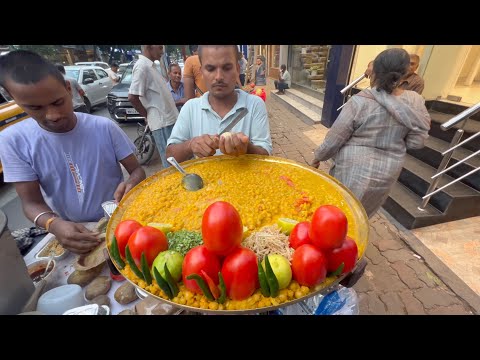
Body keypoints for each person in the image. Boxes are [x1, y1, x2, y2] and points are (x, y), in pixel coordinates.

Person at [0, 50, 146, 254]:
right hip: (73, 236)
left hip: (121, 224)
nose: (53, 115)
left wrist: (131, 186)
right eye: (35, 108)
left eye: (58, 102)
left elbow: (137, 171)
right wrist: (53, 223)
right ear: (17, 102)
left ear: (68, 89)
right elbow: (31, 203)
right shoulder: (13, 141)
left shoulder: (104, 127)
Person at [311, 48, 431, 218]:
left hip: (352, 169)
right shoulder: (416, 101)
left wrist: (318, 157)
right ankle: (355, 240)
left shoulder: (360, 101)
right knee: (361, 216)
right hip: (387, 171)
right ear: (406, 73)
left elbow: (334, 138)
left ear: (375, 70)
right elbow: (416, 143)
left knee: (339, 212)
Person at [166, 45, 272, 162]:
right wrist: (190, 145)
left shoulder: (255, 105)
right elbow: (170, 155)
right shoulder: (190, 108)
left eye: (226, 68)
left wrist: (247, 148)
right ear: (201, 72)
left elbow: (266, 156)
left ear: (237, 69)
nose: (219, 77)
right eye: (210, 69)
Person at [128, 45, 179, 168]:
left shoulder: (150, 66)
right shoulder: (142, 66)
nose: (162, 51)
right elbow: (132, 97)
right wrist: (147, 115)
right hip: (162, 124)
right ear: (149, 47)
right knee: (171, 165)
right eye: (160, 48)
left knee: (178, 162)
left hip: (168, 121)